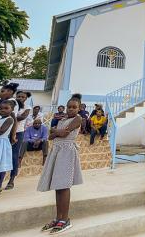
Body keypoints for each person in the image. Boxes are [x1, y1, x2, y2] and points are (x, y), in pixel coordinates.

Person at [37, 98, 83, 234]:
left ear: (79, 109)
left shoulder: (78, 119)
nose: (71, 109)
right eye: (69, 107)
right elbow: (50, 137)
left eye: (74, 107)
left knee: (64, 185)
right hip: (57, 151)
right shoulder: (62, 120)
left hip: (67, 152)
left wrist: (55, 131)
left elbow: (62, 134)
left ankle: (65, 219)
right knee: (58, 186)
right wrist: (56, 132)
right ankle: (58, 217)